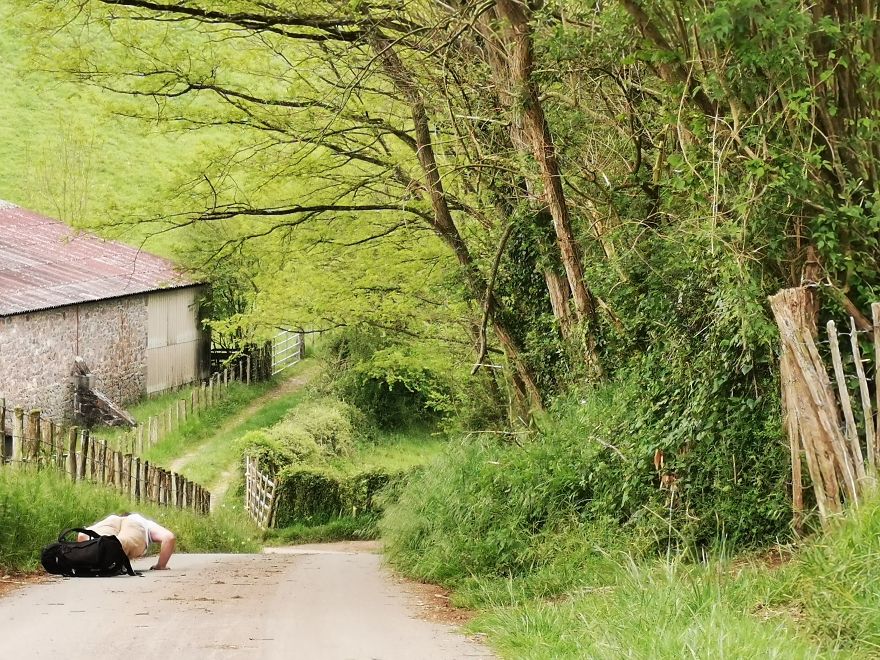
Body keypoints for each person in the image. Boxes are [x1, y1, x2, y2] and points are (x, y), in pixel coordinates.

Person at [79, 512, 176, 570]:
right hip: (135, 524)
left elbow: (82, 535)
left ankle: (97, 558)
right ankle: (113, 557)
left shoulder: (114, 518)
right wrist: (160, 565)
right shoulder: (143, 521)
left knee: (99, 539)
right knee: (123, 542)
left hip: (111, 520)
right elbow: (169, 537)